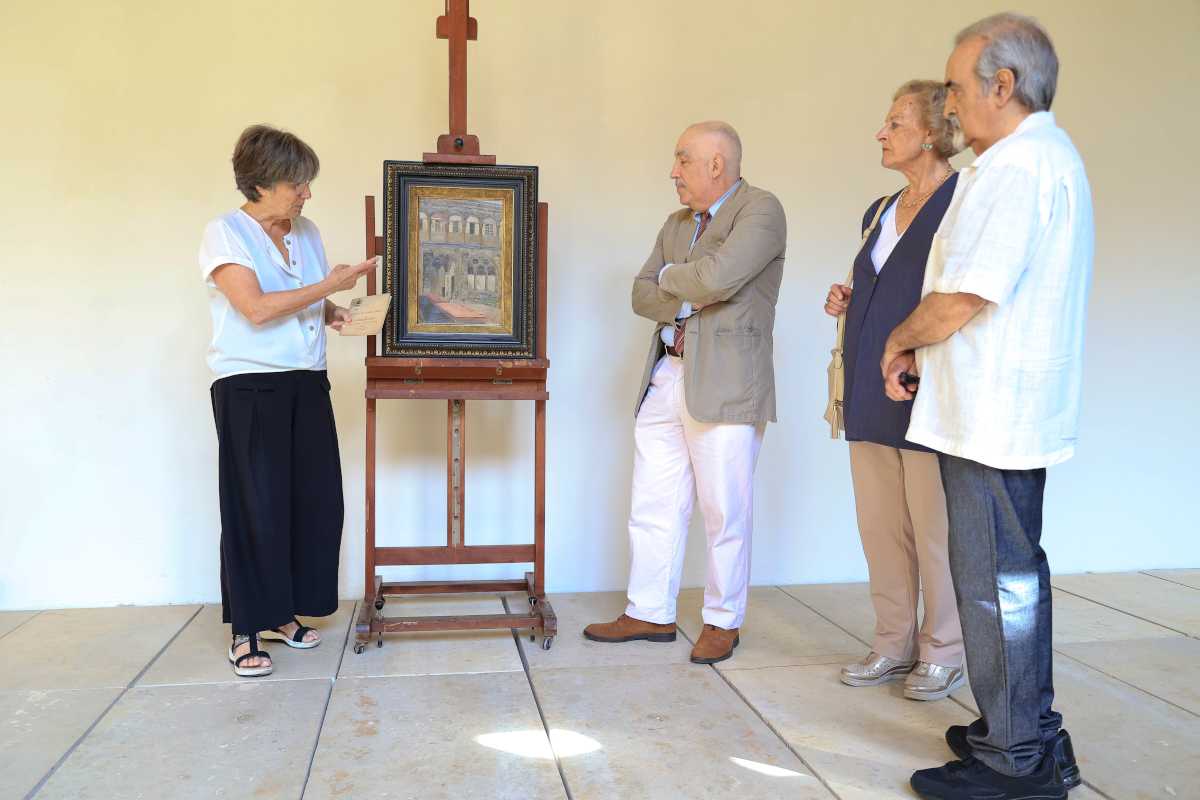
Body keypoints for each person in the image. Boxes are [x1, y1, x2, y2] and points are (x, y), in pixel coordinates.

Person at [880, 14, 1092, 799]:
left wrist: (899, 340)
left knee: (996, 583)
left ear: (1003, 86)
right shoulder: (1028, 159)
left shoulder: (1020, 167)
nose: (950, 106)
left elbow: (967, 295)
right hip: (996, 410)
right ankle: (1026, 732)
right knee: (1006, 576)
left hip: (993, 416)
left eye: (957, 89)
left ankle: (1018, 763)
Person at [583, 121, 786, 665]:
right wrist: (684, 289)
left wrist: (675, 279)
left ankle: (723, 621)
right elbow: (639, 292)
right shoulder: (676, 223)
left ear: (715, 164)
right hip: (666, 375)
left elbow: (721, 277)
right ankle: (649, 611)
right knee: (652, 504)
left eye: (682, 160)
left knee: (726, 510)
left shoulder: (761, 210)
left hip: (726, 382)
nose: (673, 171)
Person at [199, 124, 375, 677]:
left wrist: (337, 313)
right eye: (297, 183)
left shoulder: (307, 231)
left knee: (313, 502)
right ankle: (247, 628)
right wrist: (332, 286)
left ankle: (284, 613)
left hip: (306, 380)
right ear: (261, 183)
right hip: (251, 386)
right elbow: (254, 308)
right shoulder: (224, 233)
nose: (306, 193)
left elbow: (300, 301)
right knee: (256, 507)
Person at [823, 80, 965, 701]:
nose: (881, 133)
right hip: (867, 385)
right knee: (880, 526)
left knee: (935, 529)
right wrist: (850, 298)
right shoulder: (878, 209)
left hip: (928, 390)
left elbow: (960, 298)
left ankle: (945, 650)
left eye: (894, 122)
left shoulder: (964, 201)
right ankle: (892, 642)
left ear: (931, 132)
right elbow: (885, 282)